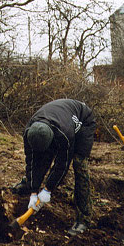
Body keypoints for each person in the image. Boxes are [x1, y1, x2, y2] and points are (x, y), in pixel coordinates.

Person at [13, 99, 96, 236]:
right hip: (59, 119)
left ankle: (84, 219)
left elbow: (62, 165)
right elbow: (31, 160)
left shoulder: (65, 134)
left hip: (83, 121)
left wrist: (47, 190)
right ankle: (28, 184)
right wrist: (34, 191)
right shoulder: (29, 131)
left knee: (79, 164)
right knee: (43, 157)